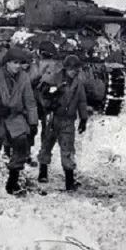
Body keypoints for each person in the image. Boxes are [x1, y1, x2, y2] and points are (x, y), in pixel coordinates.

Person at [0, 47, 38, 194]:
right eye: (14, 62)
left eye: (20, 63)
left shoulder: (24, 78)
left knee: (22, 144)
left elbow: (30, 102)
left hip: (15, 117)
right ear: (7, 62)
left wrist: (33, 122)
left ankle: (12, 182)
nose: (17, 66)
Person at [37, 54, 88, 191]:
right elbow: (42, 93)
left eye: (77, 69)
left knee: (68, 148)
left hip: (68, 120)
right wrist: (48, 104)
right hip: (53, 117)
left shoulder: (78, 82)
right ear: (66, 68)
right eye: (72, 69)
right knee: (47, 144)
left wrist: (84, 118)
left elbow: (82, 101)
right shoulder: (53, 78)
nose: (75, 71)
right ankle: (43, 170)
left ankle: (69, 180)